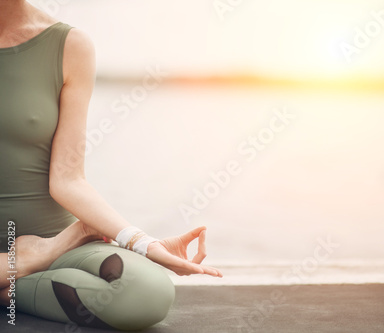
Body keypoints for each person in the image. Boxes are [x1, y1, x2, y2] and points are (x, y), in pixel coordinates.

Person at [0, 1, 222, 330]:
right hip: (40, 253)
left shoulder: (67, 45)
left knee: (145, 293)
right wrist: (26, 258)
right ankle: (23, 267)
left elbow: (68, 179)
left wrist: (142, 242)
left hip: (54, 239)